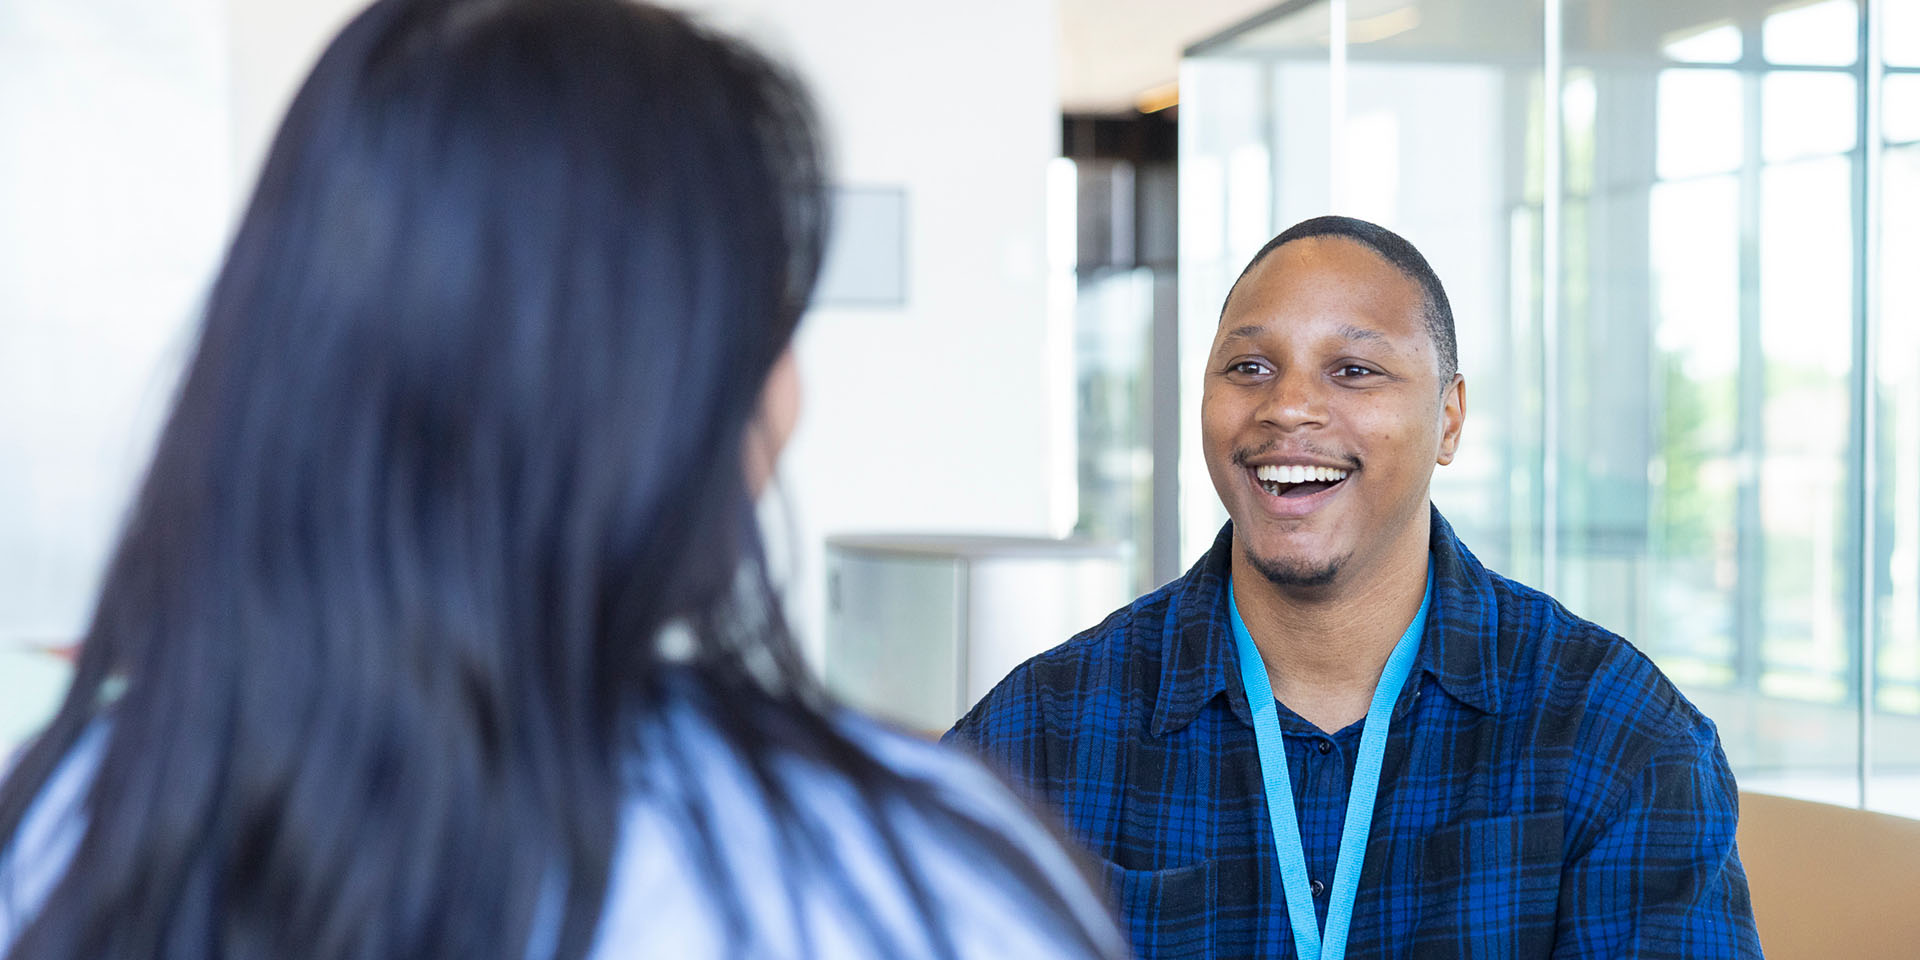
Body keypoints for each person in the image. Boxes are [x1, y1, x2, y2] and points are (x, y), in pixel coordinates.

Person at [0, 2, 1127, 958]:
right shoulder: (913, 891)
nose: (789, 393)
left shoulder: (62, 837)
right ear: (691, 401)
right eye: (766, 327)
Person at [947, 215, 1762, 959]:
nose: (1289, 406)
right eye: (1250, 365)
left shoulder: (1613, 735)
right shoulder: (1040, 738)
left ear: (1449, 419)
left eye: (1354, 369)